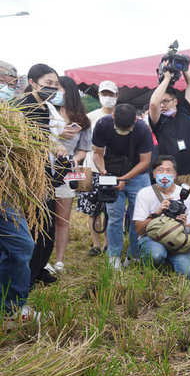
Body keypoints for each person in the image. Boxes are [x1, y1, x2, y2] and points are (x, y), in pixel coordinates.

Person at [0, 60, 45, 326]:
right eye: (7, 81)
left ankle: (11, 308)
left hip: (7, 192)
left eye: (12, 82)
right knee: (17, 246)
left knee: (20, 245)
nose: (10, 87)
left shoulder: (11, 115)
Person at [16, 63, 64, 286]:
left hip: (45, 173)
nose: (52, 88)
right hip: (27, 175)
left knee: (46, 227)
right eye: (48, 84)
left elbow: (47, 140)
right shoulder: (20, 107)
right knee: (34, 226)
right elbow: (23, 142)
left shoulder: (45, 107)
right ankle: (27, 275)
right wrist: (50, 146)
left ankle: (37, 269)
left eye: (55, 84)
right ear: (32, 83)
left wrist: (57, 145)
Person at [92, 103, 153, 269]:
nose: (124, 132)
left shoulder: (142, 129)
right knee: (114, 217)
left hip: (138, 175)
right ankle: (114, 256)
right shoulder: (103, 125)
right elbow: (97, 153)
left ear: (135, 120)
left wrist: (125, 178)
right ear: (113, 117)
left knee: (139, 217)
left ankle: (134, 254)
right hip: (112, 173)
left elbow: (145, 162)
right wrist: (103, 171)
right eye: (120, 128)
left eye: (128, 128)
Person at [148, 68, 190, 217]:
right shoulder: (158, 120)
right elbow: (153, 104)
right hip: (170, 173)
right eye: (161, 102)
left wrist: (184, 67)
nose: (162, 105)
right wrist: (166, 79)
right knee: (171, 209)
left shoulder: (187, 112)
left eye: (166, 101)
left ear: (175, 101)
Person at [51, 76, 93, 273]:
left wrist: (75, 159)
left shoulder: (83, 120)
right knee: (42, 217)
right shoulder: (46, 111)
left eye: (57, 87)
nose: (55, 91)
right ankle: (41, 258)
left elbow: (84, 149)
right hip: (43, 168)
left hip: (66, 171)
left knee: (62, 218)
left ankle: (59, 260)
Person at [132, 155, 190, 278]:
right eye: (160, 170)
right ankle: (152, 268)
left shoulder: (184, 194)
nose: (164, 174)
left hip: (176, 239)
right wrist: (157, 212)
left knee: (189, 272)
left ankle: (171, 260)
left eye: (168, 170)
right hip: (152, 238)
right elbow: (139, 230)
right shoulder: (144, 193)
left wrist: (183, 225)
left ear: (175, 175)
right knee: (156, 255)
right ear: (154, 174)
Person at [81, 80, 118, 256]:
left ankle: (108, 243)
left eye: (111, 94)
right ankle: (96, 244)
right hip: (90, 168)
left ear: (117, 96)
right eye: (104, 94)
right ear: (99, 96)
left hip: (113, 170)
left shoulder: (122, 117)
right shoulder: (89, 117)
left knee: (112, 209)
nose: (108, 98)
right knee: (92, 209)